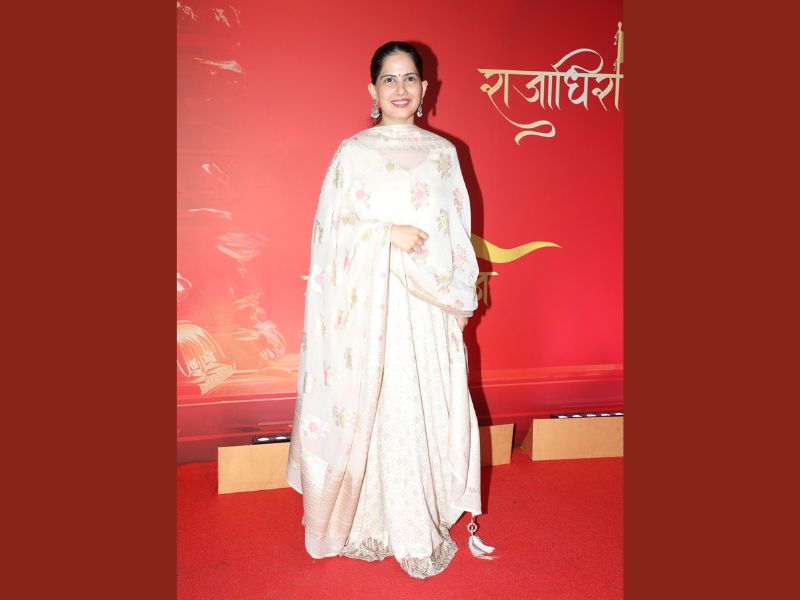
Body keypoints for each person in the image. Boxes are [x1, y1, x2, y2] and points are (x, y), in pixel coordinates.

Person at [286, 41, 494, 579]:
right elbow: (330, 233)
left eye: (409, 79)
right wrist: (384, 235)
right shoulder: (352, 153)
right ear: (372, 90)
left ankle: (416, 519)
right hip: (368, 311)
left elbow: (457, 233)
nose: (400, 89)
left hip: (426, 309)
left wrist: (457, 298)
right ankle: (365, 519)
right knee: (376, 404)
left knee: (419, 405)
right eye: (389, 79)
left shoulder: (444, 154)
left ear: (425, 88)